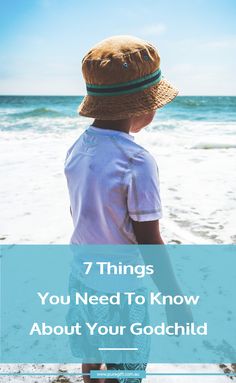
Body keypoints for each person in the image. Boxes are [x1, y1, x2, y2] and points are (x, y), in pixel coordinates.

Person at [64, 35, 179, 383]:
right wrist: (176, 301)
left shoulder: (78, 148)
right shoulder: (136, 161)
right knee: (124, 369)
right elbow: (149, 241)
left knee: (91, 352)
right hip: (123, 287)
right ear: (142, 106)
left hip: (81, 277)